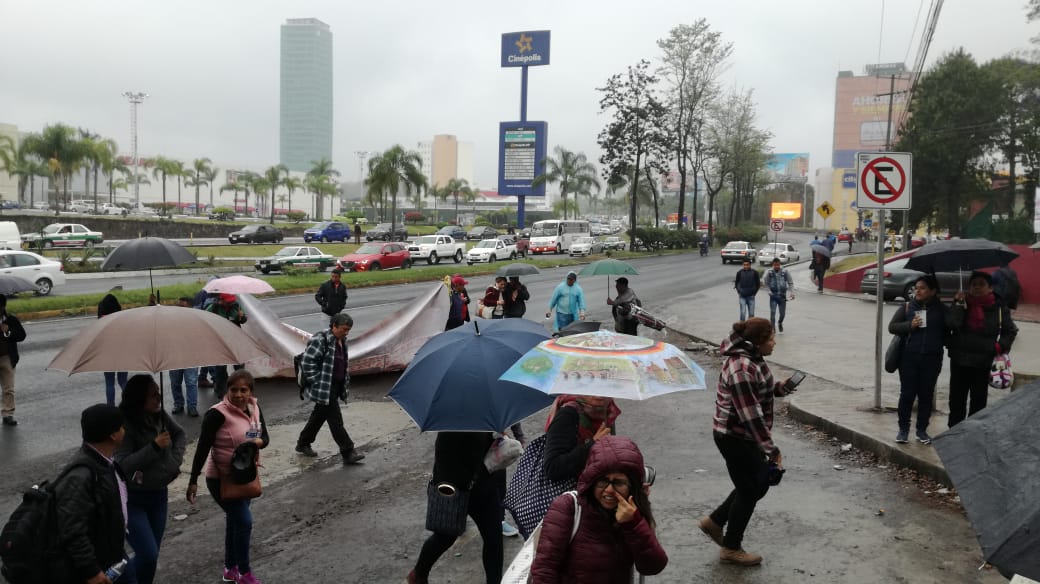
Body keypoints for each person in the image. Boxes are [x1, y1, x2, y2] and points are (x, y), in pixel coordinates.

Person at [700, 317, 795, 566]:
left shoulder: (752, 357)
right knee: (752, 487)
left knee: (752, 485)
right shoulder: (741, 367)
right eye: (771, 338)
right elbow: (749, 414)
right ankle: (731, 547)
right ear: (758, 341)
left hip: (741, 435)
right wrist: (771, 449)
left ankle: (715, 522)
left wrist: (778, 388)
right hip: (734, 436)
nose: (775, 342)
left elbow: (759, 387)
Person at [530, 435, 667, 583]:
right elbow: (545, 569)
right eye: (603, 481)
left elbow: (652, 566)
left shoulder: (633, 513)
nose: (609, 490)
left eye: (619, 482)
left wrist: (633, 525)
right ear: (591, 481)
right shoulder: (568, 506)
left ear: (632, 486)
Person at [187, 370, 269, 584]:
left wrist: (255, 443)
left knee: (235, 521)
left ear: (250, 391)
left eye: (244, 390)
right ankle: (244, 573)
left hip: (246, 475)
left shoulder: (254, 408)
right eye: (234, 389)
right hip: (220, 478)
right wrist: (193, 479)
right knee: (244, 521)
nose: (239, 394)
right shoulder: (217, 414)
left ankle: (230, 569)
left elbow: (265, 437)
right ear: (227, 390)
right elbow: (203, 447)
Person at [115, 375, 186, 584]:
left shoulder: (159, 414)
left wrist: (174, 460)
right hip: (132, 500)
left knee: (151, 557)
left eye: (159, 393)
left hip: (158, 496)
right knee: (148, 554)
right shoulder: (125, 424)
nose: (159, 398)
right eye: (153, 395)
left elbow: (180, 434)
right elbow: (122, 464)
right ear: (139, 399)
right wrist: (154, 447)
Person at [407, 432, 504, 584]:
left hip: (483, 484)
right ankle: (418, 574)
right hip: (454, 484)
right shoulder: (450, 420)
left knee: (494, 538)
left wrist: (499, 438)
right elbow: (446, 455)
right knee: (445, 537)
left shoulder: (487, 413)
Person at [55, 404, 128, 584]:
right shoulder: (81, 474)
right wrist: (91, 571)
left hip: (110, 555)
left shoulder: (105, 462)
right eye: (121, 427)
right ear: (112, 435)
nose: (124, 431)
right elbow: (72, 528)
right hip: (95, 565)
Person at [947, 271, 1018, 427]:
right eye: (974, 284)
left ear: (990, 288)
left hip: (984, 362)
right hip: (960, 360)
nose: (977, 288)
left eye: (981, 284)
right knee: (956, 400)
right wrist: (958, 305)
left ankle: (972, 433)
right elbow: (952, 325)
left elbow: (1010, 330)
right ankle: (953, 433)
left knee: (978, 401)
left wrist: (999, 346)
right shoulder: (962, 303)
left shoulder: (999, 307)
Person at [295, 313, 365, 465]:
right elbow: (307, 363)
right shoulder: (320, 340)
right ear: (334, 325)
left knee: (319, 416)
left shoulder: (342, 341)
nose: (346, 332)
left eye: (349, 330)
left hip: (335, 386)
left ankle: (303, 443)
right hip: (325, 387)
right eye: (344, 329)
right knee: (335, 420)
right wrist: (317, 382)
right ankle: (348, 451)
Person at [887, 276, 948, 445]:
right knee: (907, 394)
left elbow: (953, 327)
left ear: (933, 291)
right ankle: (903, 430)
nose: (917, 291)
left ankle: (921, 430)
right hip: (909, 357)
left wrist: (958, 305)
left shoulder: (941, 309)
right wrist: (909, 326)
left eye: (922, 288)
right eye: (916, 288)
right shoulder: (907, 307)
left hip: (932, 358)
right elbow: (892, 327)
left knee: (926, 396)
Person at [543, 395, 620, 485]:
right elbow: (552, 468)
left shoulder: (608, 411)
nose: (599, 394)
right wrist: (593, 445)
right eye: (592, 385)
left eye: (603, 385)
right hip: (571, 492)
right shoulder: (567, 414)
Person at [207, 294, 247, 398]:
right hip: (220, 341)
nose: (230, 303)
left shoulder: (236, 306)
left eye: (231, 301)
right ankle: (221, 391)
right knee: (220, 368)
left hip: (235, 340)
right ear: (220, 300)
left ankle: (241, 389)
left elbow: (243, 320)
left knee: (239, 367)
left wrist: (242, 317)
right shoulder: (213, 308)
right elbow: (204, 319)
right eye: (227, 301)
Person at [168, 297, 200, 416]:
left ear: (190, 307)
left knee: (191, 382)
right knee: (175, 382)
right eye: (178, 306)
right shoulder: (172, 320)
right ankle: (178, 404)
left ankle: (192, 406)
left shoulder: (196, 320)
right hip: (174, 355)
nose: (179, 309)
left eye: (182, 306)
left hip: (190, 355)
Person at [97, 293, 129, 406]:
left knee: (109, 382)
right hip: (122, 353)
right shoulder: (121, 319)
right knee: (123, 381)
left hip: (107, 354)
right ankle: (129, 404)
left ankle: (111, 406)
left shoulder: (101, 321)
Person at [0, 295, 26, 426]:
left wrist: (8, 331)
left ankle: (8, 414)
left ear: (3, 307)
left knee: (8, 389)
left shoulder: (11, 320)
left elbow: (22, 335)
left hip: (7, 358)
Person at [763, 259, 794, 333]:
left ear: (780, 264)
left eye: (778, 265)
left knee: (782, 314)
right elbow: (766, 283)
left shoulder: (785, 272)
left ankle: (780, 322)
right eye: (775, 265)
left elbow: (790, 282)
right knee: (773, 312)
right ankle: (773, 328)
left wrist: (792, 292)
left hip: (782, 296)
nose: (776, 266)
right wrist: (769, 291)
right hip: (773, 296)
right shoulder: (769, 272)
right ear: (772, 265)